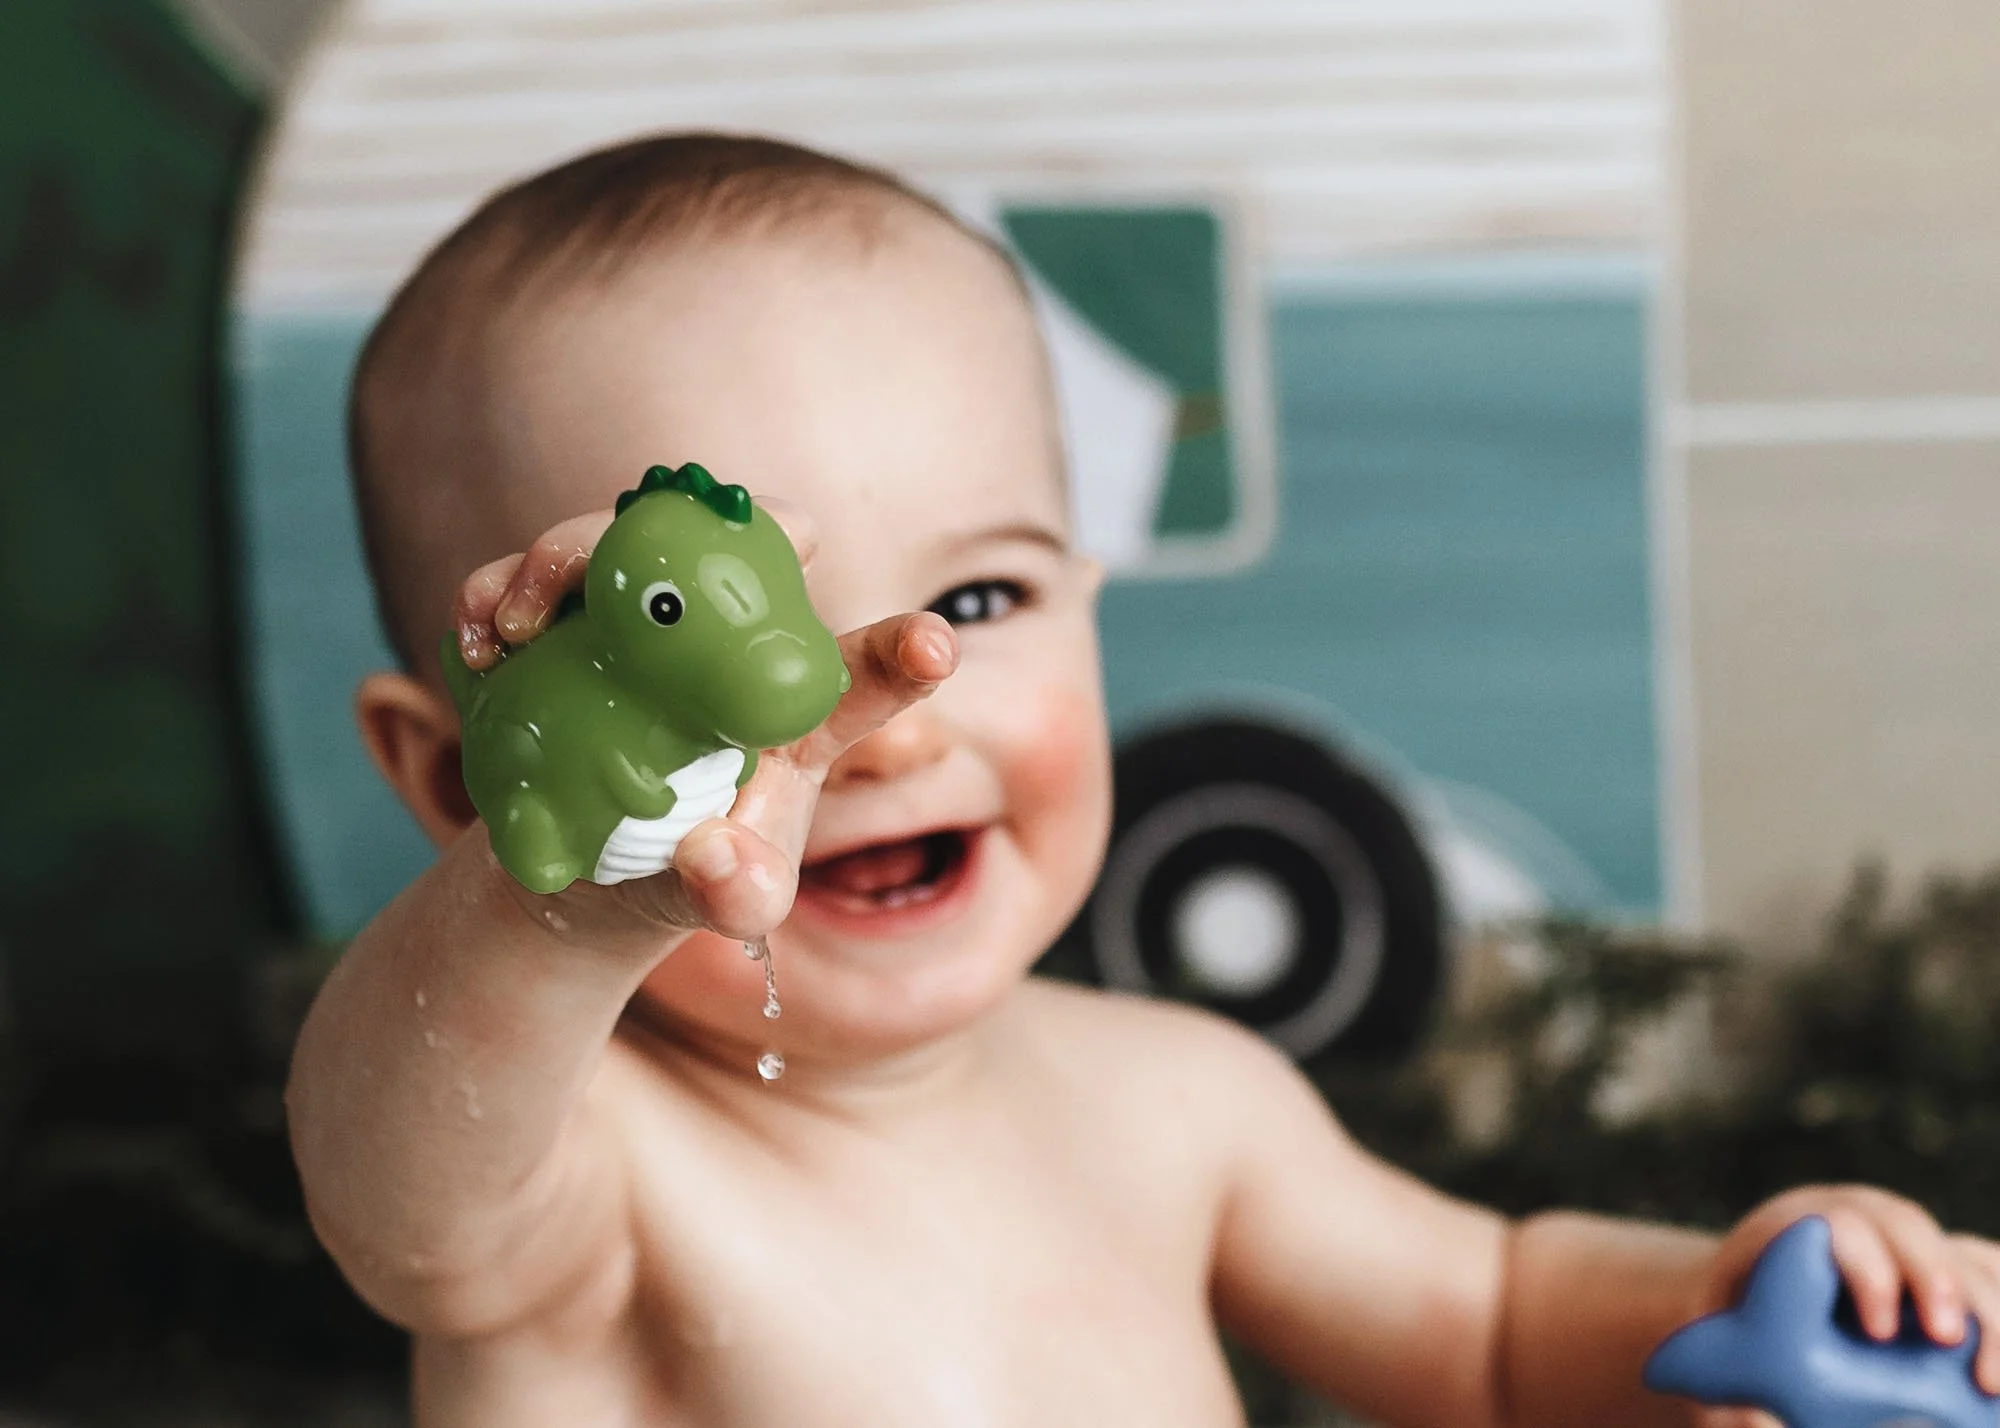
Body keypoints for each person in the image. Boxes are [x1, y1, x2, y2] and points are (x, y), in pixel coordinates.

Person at [287, 133, 2000, 1428]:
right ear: (456, 784)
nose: (877, 718)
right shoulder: (589, 1174)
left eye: (974, 601)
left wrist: (1740, 1297)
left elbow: (1487, 1326)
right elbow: (399, 1192)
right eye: (708, 677)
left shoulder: (1175, 1101)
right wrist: (581, 904)